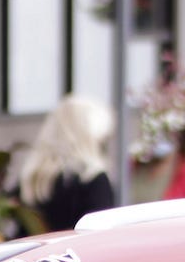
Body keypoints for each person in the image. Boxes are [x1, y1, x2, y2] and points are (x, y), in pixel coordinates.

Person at [17, 94, 118, 233]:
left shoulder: (31, 180)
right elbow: (101, 236)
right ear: (90, 137)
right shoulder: (93, 180)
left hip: (36, 254)